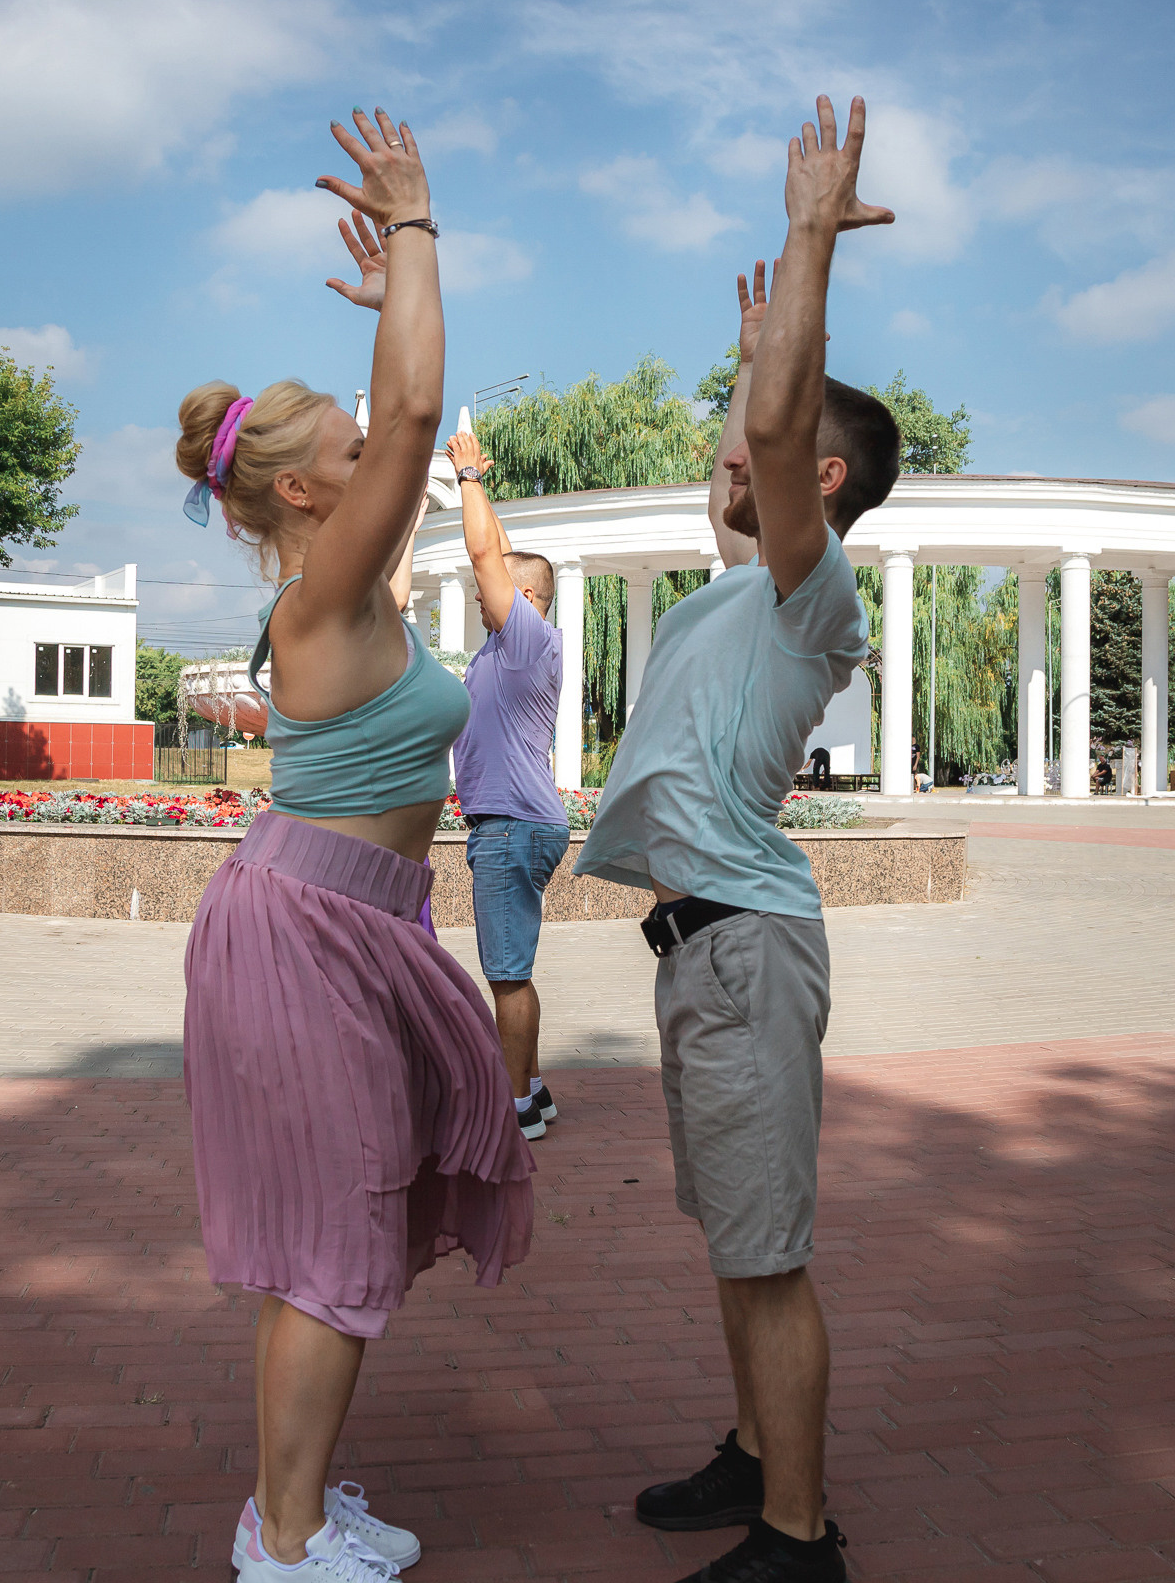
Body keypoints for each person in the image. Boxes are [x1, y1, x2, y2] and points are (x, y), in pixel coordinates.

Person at [174, 110, 532, 1583]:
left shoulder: (341, 579)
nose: (377, 439)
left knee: (343, 1241)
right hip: (308, 929)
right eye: (348, 441)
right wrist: (416, 228)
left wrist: (394, 296)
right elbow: (428, 394)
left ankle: (292, 1506)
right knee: (328, 1253)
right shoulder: (329, 584)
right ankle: (287, 1546)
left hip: (356, 926)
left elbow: (406, 396)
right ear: (313, 495)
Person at [573, 96, 895, 1583]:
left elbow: (773, 436)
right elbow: (762, 425)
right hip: (696, 954)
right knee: (736, 1241)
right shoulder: (725, 594)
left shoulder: (803, 594)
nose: (731, 446)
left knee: (769, 1257)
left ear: (815, 486)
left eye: (760, 445)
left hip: (749, 951)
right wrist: (771, 349)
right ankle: (757, 1455)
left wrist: (809, 237)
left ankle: (800, 1538)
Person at [442, 428, 568, 1141]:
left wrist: (464, 477)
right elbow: (502, 551)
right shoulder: (515, 641)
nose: (480, 589)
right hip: (520, 819)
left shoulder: (524, 640)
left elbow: (488, 554)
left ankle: (515, 1106)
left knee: (507, 973)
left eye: (495, 589)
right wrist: (485, 493)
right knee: (514, 969)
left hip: (512, 824)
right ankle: (536, 1088)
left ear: (522, 598)